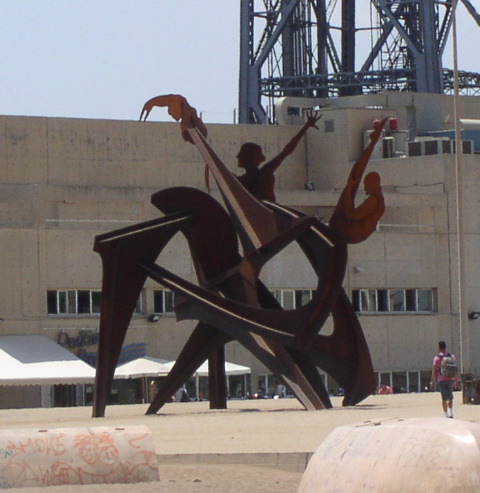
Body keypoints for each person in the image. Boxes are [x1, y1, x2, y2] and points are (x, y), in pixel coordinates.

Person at [235, 111, 321, 202]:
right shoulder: (254, 176)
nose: (238, 157)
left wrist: (306, 127)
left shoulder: (262, 174)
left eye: (242, 156)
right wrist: (306, 127)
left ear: (249, 158)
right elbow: (286, 151)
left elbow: (287, 150)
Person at [329, 120, 386, 244]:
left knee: (353, 180)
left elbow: (350, 215)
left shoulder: (374, 201)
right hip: (351, 232)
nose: (365, 190)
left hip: (350, 233)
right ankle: (372, 144)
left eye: (366, 186)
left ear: (373, 185)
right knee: (354, 177)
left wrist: (349, 189)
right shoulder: (375, 200)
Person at [430, 340, 461, 418]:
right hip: (451, 379)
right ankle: (451, 412)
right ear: (445, 347)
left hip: (441, 380)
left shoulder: (437, 358)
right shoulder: (452, 357)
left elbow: (434, 371)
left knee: (444, 398)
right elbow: (455, 370)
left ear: (439, 348)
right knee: (450, 397)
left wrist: (432, 382)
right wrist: (457, 381)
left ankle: (446, 415)